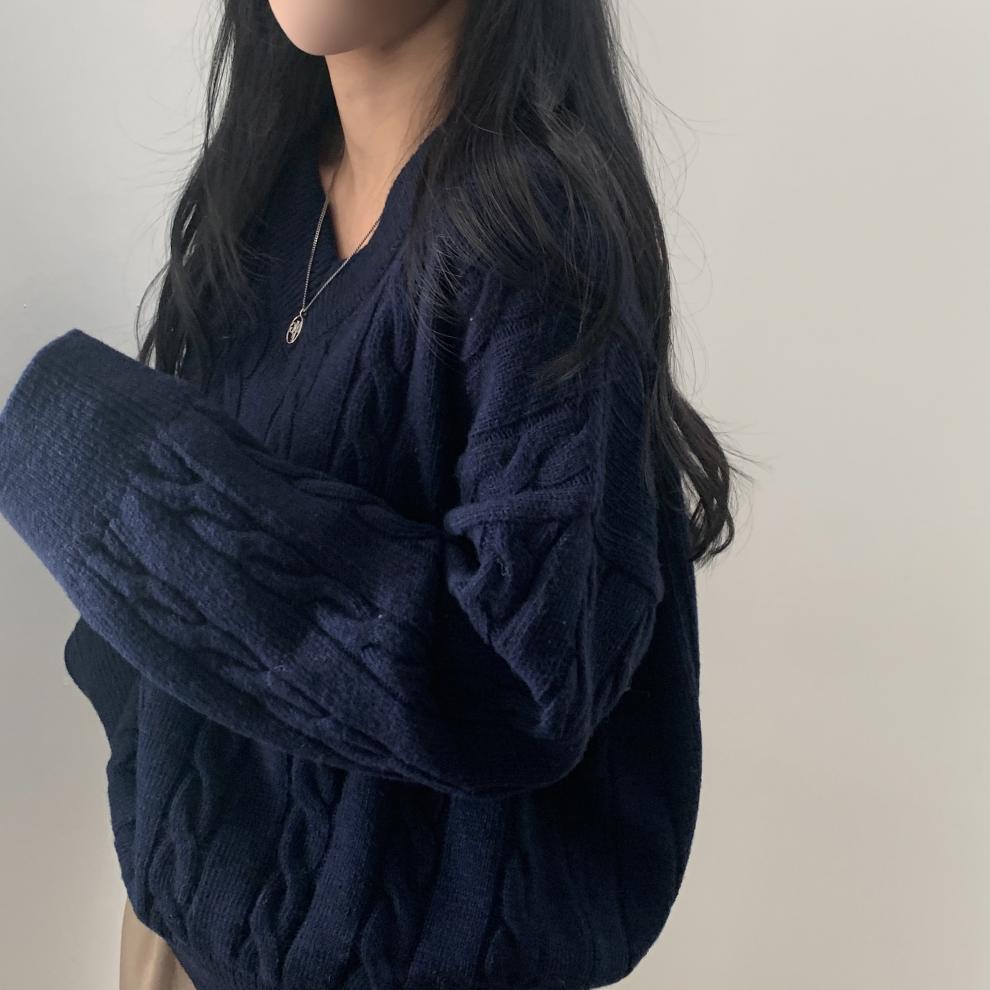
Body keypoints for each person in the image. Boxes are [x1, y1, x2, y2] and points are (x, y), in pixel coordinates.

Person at [0, 1, 743, 988]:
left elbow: (517, 680)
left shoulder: (536, 233)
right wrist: (158, 769)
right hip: (178, 940)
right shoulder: (261, 198)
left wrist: (95, 466)